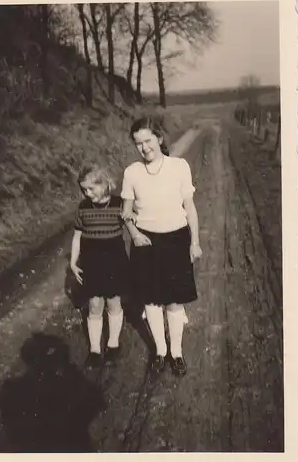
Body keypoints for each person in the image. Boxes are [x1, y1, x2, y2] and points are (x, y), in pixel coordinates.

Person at [121, 116, 202, 377]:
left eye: (147, 140)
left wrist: (195, 242)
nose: (144, 148)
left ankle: (176, 353)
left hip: (176, 240)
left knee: (175, 302)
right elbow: (126, 212)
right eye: (138, 144)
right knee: (152, 302)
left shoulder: (179, 166)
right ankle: (159, 351)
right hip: (145, 242)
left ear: (159, 138)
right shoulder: (132, 172)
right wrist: (133, 233)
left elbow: (190, 207)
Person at [70, 164, 128, 369]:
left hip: (114, 259)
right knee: (95, 304)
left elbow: (134, 221)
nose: (87, 193)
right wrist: (73, 262)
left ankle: (113, 343)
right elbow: (77, 236)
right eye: (83, 189)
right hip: (91, 260)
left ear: (104, 184)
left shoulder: (120, 204)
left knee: (113, 302)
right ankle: (94, 349)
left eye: (91, 188)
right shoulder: (83, 208)